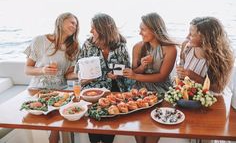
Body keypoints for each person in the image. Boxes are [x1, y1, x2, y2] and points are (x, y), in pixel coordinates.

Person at [24, 12, 80, 143]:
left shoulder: (75, 46)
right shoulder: (39, 40)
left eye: (76, 25)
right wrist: (42, 70)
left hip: (60, 91)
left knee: (63, 123)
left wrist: (80, 75)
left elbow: (68, 75)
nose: (74, 26)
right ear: (61, 21)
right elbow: (27, 69)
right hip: (38, 89)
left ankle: (55, 137)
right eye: (72, 22)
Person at [77, 13, 133, 143]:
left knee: (109, 133)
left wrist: (118, 74)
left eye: (93, 28)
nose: (90, 31)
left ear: (103, 30)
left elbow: (127, 70)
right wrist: (99, 76)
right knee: (95, 133)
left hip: (114, 90)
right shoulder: (88, 44)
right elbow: (79, 69)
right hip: (92, 89)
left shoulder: (121, 46)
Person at [123, 12, 177, 143]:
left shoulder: (170, 49)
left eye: (143, 29)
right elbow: (135, 71)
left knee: (157, 123)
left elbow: (162, 77)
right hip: (139, 88)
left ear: (154, 30)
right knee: (138, 126)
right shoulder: (137, 47)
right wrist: (141, 67)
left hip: (163, 89)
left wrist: (135, 75)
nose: (140, 33)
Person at [176, 16, 234, 93]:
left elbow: (218, 89)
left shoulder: (223, 57)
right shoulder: (186, 46)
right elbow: (181, 68)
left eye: (192, 35)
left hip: (211, 97)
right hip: (188, 93)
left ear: (205, 38)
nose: (187, 36)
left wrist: (194, 77)